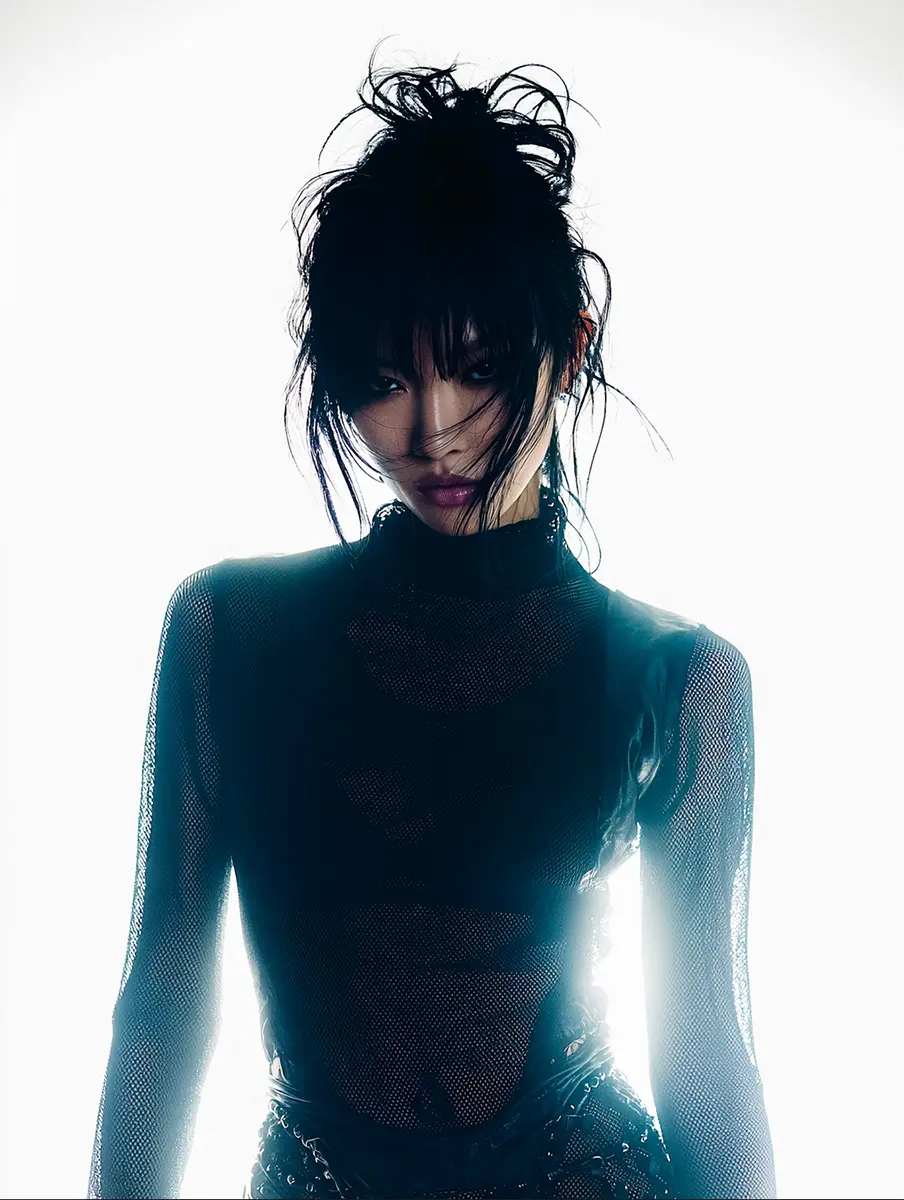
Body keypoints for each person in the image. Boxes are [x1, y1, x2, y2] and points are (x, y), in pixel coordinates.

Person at [86, 43, 777, 1200]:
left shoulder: (678, 677)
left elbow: (704, 1052)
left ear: (573, 345)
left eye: (478, 366)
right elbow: (161, 1004)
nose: (433, 430)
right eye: (384, 376)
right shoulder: (229, 630)